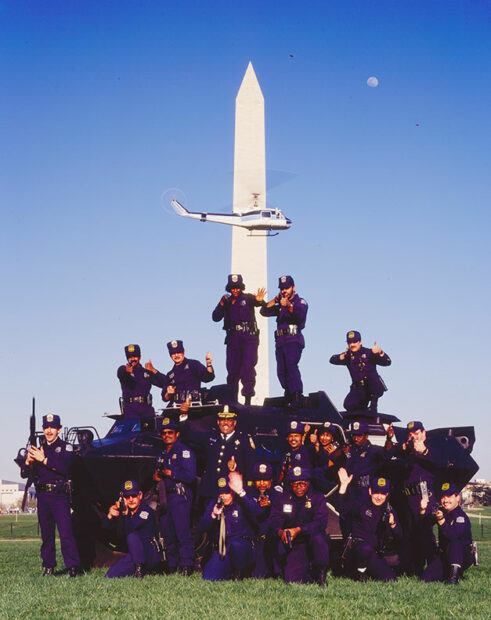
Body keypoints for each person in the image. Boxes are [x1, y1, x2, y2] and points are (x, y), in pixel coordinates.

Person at [21, 414, 80, 577]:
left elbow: (65, 468)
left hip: (59, 495)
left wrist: (44, 459)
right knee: (47, 535)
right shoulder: (38, 448)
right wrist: (28, 463)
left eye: (52, 428)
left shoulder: (66, 448)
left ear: (59, 430)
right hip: (43, 496)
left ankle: (73, 567)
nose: (49, 431)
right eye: (46, 428)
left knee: (66, 533)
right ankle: (48, 567)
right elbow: (25, 474)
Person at [385, 420, 444, 576]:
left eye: (417, 434)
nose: (414, 438)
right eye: (411, 435)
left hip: (424, 497)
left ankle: (435, 567)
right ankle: (414, 568)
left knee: (424, 532)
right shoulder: (408, 452)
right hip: (408, 498)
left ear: (424, 434)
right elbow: (388, 454)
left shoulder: (431, 449)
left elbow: (439, 463)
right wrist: (400, 446)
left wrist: (423, 451)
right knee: (410, 534)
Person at [269, 465, 330, 585]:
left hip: (314, 540)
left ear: (308, 483)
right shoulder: (283, 498)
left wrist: (299, 529)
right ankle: (308, 571)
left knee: (318, 539)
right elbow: (274, 520)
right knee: (292, 580)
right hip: (297, 543)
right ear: (290, 485)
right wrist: (280, 531)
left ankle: (321, 572)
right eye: (295, 484)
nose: (299, 487)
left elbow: (320, 523)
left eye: (303, 483)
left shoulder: (317, 498)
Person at [181, 405, 257, 501]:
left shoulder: (244, 440)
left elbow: (250, 466)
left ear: (234, 422)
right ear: (218, 422)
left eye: (229, 419)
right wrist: (184, 414)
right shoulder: (210, 436)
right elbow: (188, 435)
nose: (225, 423)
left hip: (231, 492)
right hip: (209, 491)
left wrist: (247, 490)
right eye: (222, 419)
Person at [338, 468, 401, 582]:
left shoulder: (388, 510)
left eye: (383, 493)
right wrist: (343, 486)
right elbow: (342, 509)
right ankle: (359, 574)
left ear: (387, 494)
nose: (379, 497)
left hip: (373, 553)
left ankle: (365, 570)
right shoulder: (361, 504)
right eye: (376, 492)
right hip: (358, 551)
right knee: (364, 548)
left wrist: (393, 524)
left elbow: (399, 536)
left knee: (391, 580)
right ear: (370, 491)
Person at [212, 274, 266, 404]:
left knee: (247, 368)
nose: (235, 290)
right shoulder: (227, 302)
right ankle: (233, 401)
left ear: (241, 287)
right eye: (232, 288)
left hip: (249, 338)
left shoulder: (248, 298)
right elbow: (215, 317)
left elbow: (261, 304)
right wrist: (221, 304)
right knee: (232, 371)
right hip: (233, 339)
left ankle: (248, 400)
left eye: (237, 287)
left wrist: (259, 300)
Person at [153, 417, 196, 576]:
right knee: (167, 533)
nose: (166, 436)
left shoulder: (184, 452)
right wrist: (156, 477)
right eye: (164, 433)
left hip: (179, 497)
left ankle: (187, 565)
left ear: (177, 434)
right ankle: (172, 565)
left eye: (170, 432)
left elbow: (191, 477)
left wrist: (172, 473)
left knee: (183, 533)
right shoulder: (162, 454)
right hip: (165, 498)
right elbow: (157, 474)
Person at [260, 275, 308, 407]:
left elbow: (299, 316)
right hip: (280, 341)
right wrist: (275, 300)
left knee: (291, 366)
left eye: (287, 288)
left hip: (293, 339)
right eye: (282, 288)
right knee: (281, 371)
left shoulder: (300, 302)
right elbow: (264, 311)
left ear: (293, 288)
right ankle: (289, 394)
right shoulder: (280, 304)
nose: (284, 291)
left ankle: (297, 395)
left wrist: (289, 305)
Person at [199, 474, 257, 581]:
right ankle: (229, 571)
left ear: (232, 492)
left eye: (227, 493)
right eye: (221, 494)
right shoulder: (214, 505)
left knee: (236, 546)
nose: (224, 496)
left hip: (241, 547)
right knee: (209, 578)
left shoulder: (241, 503)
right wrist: (213, 515)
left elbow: (255, 511)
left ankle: (240, 573)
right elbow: (202, 527)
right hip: (223, 548)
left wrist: (241, 492)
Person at [103, 479, 161, 578]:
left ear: (140, 495)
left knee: (132, 536)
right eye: (127, 497)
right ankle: (139, 568)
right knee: (109, 576)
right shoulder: (125, 512)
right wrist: (110, 515)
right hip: (135, 556)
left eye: (134, 496)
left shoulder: (146, 512)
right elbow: (105, 528)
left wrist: (125, 514)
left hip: (149, 554)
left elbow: (131, 529)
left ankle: (141, 572)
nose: (130, 499)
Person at [420, 482, 474, 585]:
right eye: (443, 497)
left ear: (457, 498)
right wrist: (423, 510)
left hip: (462, 555)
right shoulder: (441, 511)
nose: (445, 500)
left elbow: (453, 535)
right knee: (425, 579)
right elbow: (425, 525)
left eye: (449, 496)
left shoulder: (460, 516)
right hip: (445, 555)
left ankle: (453, 579)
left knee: (455, 543)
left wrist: (441, 521)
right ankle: (451, 573)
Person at [330, 331, 391, 412]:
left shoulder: (369, 353)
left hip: (373, 387)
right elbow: (332, 359)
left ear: (360, 342)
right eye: (349, 342)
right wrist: (342, 356)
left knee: (370, 376)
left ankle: (373, 405)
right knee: (348, 404)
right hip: (359, 389)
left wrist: (380, 352)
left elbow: (387, 362)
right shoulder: (348, 356)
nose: (352, 345)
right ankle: (363, 411)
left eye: (354, 342)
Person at [148, 340, 214, 405]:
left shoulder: (193, 365)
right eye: (173, 353)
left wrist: (209, 364)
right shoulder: (170, 375)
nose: (176, 355)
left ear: (183, 352)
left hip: (193, 406)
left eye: (179, 352)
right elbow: (165, 398)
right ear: (170, 355)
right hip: (176, 408)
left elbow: (208, 377)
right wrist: (168, 394)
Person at [248, 462, 282, 578]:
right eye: (258, 480)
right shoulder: (248, 494)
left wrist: (271, 505)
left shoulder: (278, 495)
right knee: (257, 575)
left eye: (265, 480)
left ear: (271, 480)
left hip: (273, 542)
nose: (262, 483)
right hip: (256, 541)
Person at [117, 344, 166, 418]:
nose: (133, 359)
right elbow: (121, 373)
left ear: (140, 357)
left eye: (135, 356)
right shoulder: (123, 370)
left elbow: (165, 383)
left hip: (147, 410)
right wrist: (127, 371)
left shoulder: (146, 372)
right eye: (130, 357)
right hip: (130, 411)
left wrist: (153, 370)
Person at [278, 419, 313, 484]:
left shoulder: (308, 451)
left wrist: (316, 443)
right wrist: (283, 472)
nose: (293, 439)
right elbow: (279, 480)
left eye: (296, 436)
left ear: (301, 437)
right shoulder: (285, 453)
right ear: (287, 438)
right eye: (291, 436)